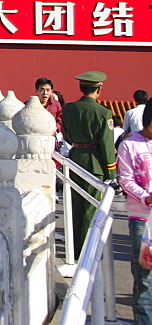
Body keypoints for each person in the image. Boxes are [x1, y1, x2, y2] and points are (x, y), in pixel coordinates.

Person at [62, 70, 117, 257]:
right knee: (90, 209)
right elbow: (107, 145)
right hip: (95, 164)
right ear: (98, 89)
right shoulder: (103, 112)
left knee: (75, 206)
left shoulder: (69, 109)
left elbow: (67, 136)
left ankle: (74, 248)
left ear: (81, 88)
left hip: (75, 160)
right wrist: (111, 173)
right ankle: (87, 251)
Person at [115, 101, 152, 324]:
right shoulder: (129, 145)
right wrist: (146, 197)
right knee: (145, 274)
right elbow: (126, 180)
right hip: (142, 216)